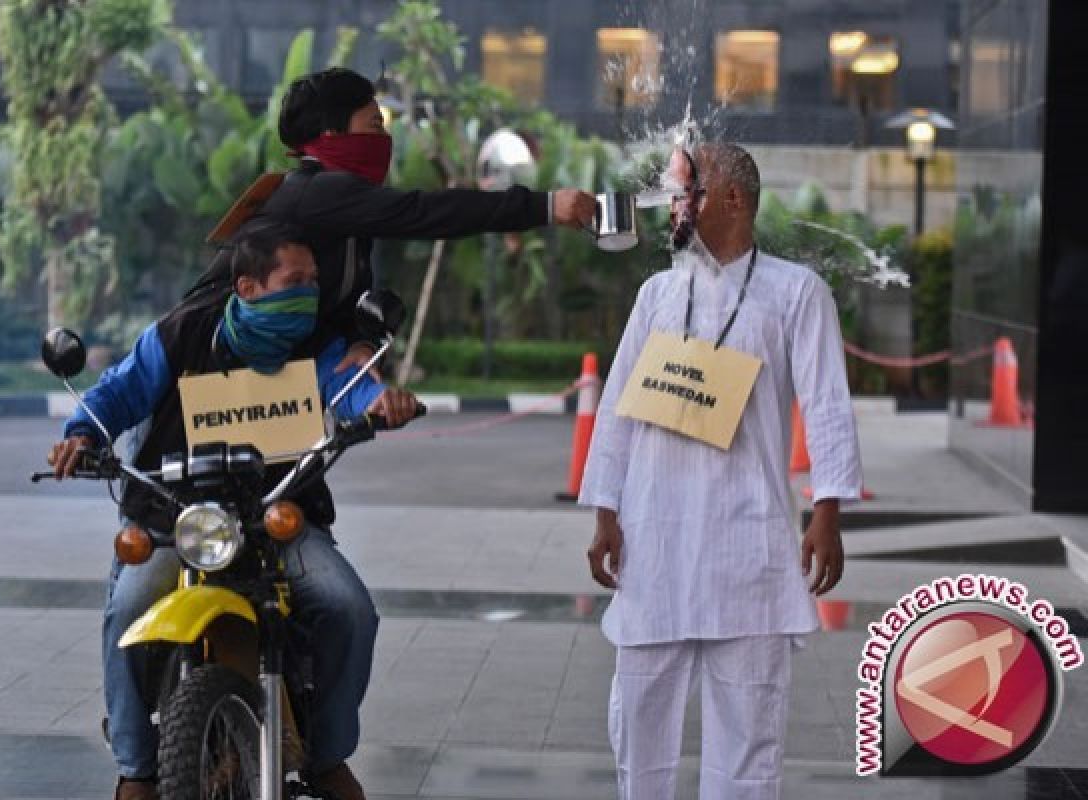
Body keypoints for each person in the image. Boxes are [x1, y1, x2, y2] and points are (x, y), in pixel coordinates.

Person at [48, 231, 416, 800]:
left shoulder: (318, 342)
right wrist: (80, 436)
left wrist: (377, 403)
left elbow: (345, 387)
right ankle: (135, 768)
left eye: (314, 283)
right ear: (248, 287)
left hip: (276, 513)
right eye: (294, 283)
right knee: (128, 607)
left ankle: (327, 757)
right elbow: (118, 392)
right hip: (178, 514)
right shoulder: (183, 330)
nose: (309, 295)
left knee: (349, 610)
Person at [579, 141, 863, 800]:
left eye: (689, 191)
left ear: (733, 199)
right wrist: (605, 513)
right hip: (655, 541)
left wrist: (827, 512)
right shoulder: (657, 294)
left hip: (748, 544)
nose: (676, 204)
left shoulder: (795, 292)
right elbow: (620, 408)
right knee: (638, 722)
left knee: (748, 735)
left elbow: (826, 405)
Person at [185, 66, 598, 366]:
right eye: (374, 125)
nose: (384, 139)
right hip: (207, 369)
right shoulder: (318, 190)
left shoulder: (342, 210)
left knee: (296, 490)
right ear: (332, 134)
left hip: (270, 381)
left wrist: (360, 342)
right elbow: (425, 212)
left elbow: (345, 300)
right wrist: (545, 206)